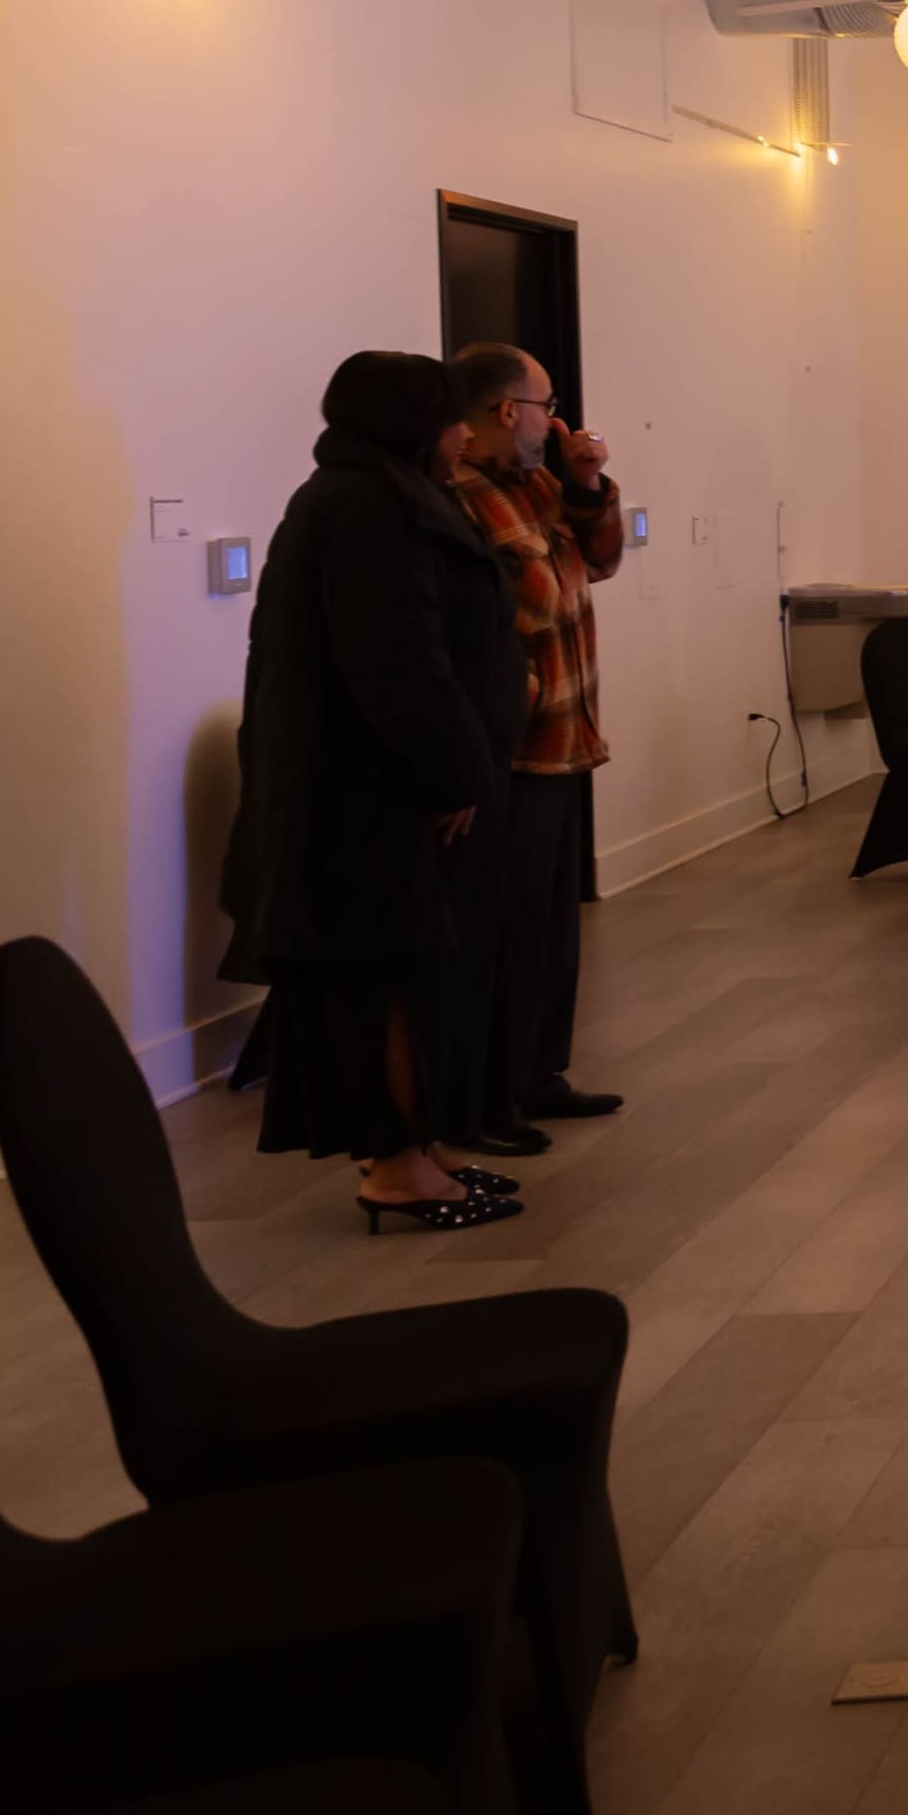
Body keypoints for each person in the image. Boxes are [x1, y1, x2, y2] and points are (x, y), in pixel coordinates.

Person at [220, 352, 529, 1229]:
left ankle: (419, 1145)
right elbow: (396, 662)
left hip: (382, 788)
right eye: (450, 418)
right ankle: (396, 1168)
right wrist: (452, 771)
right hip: (369, 796)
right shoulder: (367, 506)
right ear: (410, 423)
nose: (463, 434)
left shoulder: (378, 494)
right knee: (386, 974)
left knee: (413, 971)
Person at [444, 342, 630, 1152]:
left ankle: (539, 1073)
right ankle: (493, 1094)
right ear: (505, 410)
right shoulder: (459, 496)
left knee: (553, 927)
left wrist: (587, 483)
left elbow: (604, 559)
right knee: (507, 931)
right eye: (545, 405)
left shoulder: (542, 485)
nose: (556, 422)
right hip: (511, 749)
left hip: (563, 737)